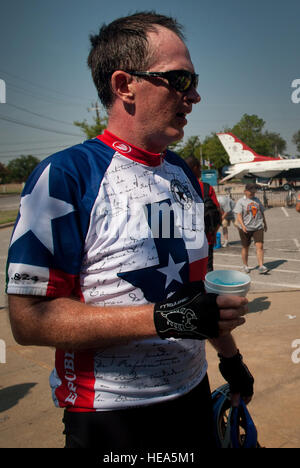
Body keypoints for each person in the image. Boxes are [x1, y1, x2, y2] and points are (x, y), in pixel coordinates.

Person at [6, 12, 254, 450]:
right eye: (180, 79)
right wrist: (164, 318)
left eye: (194, 80)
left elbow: (194, 290)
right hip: (110, 420)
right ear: (125, 85)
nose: (194, 95)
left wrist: (231, 359)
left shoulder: (183, 173)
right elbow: (28, 320)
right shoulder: (65, 176)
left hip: (193, 395)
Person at [185, 156, 221, 271]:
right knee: (207, 269)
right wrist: (214, 232)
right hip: (206, 236)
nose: (201, 171)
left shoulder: (177, 186)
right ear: (195, 168)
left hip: (185, 238)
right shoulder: (206, 188)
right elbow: (217, 212)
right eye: (200, 168)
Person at [234, 183, 268, 274]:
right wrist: (243, 226)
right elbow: (239, 215)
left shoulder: (257, 200)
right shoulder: (241, 201)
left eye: (254, 192)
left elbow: (261, 211)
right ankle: (245, 265)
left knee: (260, 246)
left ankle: (261, 266)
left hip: (258, 226)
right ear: (245, 191)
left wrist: (265, 223)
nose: (253, 193)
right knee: (245, 247)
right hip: (245, 228)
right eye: (251, 192)